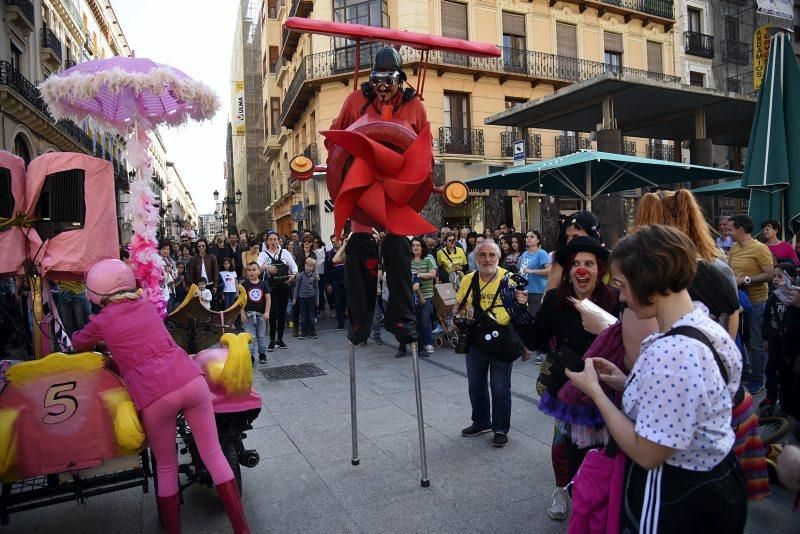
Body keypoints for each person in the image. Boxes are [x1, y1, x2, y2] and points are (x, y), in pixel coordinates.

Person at [565, 225, 747, 532]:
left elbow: (647, 453)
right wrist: (624, 382)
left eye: (622, 285)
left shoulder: (674, 353)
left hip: (678, 495)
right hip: (716, 481)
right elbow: (687, 404)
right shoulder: (703, 324)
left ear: (647, 280)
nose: (621, 297)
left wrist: (595, 392)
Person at [72, 259, 250, 533]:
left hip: (154, 393)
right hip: (190, 379)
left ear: (96, 292)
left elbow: (78, 342)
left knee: (166, 467)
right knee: (214, 454)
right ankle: (242, 529)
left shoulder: (101, 320)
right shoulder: (145, 305)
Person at [516, 235, 620, 521]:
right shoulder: (554, 300)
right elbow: (537, 339)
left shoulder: (615, 300)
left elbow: (626, 343)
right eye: (575, 264)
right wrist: (519, 313)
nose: (581, 270)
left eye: (589, 264)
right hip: (566, 386)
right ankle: (563, 489)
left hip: (606, 384)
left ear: (600, 269)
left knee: (604, 447)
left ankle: (600, 499)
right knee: (565, 446)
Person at [454, 240, 529, 449]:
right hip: (476, 341)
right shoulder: (468, 279)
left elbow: (521, 313)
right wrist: (457, 316)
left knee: (500, 388)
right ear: (475, 258)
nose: (487, 259)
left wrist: (525, 344)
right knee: (475, 386)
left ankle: (500, 429)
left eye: (491, 255)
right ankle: (480, 422)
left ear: (498, 257)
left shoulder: (509, 279)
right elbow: (460, 307)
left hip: (503, 341)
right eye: (482, 255)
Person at [729, 215, 774, 393]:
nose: (729, 232)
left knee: (755, 341)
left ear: (740, 229)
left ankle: (757, 379)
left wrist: (745, 280)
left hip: (756, 301)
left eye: (732, 229)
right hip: (738, 300)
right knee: (742, 338)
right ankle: (746, 373)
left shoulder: (760, 248)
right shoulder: (733, 248)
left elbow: (769, 274)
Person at [761, 262, 798, 413]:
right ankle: (771, 396)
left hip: (787, 343)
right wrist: (765, 338)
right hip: (773, 339)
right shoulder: (772, 298)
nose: (775, 279)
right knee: (771, 368)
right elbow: (766, 319)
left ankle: (785, 403)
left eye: (780, 276)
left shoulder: (794, 298)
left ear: (792, 279)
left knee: (786, 373)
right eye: (774, 276)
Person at [396, 237, 438, 356]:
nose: (415, 247)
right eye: (413, 245)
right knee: (410, 321)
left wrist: (417, 275)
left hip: (426, 294)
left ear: (422, 247)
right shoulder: (408, 259)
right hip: (409, 294)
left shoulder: (429, 258)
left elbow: (433, 274)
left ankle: (427, 343)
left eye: (418, 245)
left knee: (424, 320)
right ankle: (407, 346)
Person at [257, 231, 298, 351]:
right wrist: (266, 267)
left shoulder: (284, 252)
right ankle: (272, 340)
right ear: (267, 241)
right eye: (271, 239)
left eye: (275, 239)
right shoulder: (263, 254)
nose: (273, 241)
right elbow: (257, 267)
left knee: (282, 313)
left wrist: (293, 275)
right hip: (271, 288)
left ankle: (280, 340)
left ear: (279, 240)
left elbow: (294, 266)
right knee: (273, 313)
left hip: (284, 286)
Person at [544, 211, 601, 295]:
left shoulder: (606, 260)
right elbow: (547, 297)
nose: (569, 241)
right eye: (567, 237)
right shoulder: (560, 263)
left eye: (575, 236)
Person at [240, 262, 270, 364]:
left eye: (254, 269)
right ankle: (251, 356)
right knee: (250, 337)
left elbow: (268, 299)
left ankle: (262, 354)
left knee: (261, 335)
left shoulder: (263, 284)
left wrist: (267, 312)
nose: (251, 272)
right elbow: (241, 301)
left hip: (261, 315)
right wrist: (242, 313)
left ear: (259, 271)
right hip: (248, 315)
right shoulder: (244, 285)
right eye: (249, 270)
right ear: (246, 272)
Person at [519, 230, 550, 316]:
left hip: (537, 291)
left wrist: (532, 271)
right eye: (527, 237)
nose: (528, 239)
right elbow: (522, 270)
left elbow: (549, 271)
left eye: (532, 237)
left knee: (535, 317)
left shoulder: (541, 253)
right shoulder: (524, 254)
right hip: (524, 290)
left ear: (538, 240)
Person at [293, 257, 320, 339]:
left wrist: (317, 299)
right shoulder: (300, 276)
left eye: (311, 266)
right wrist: (295, 298)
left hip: (311, 298)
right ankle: (304, 332)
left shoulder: (314, 277)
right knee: (303, 316)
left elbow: (316, 289)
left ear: (313, 268)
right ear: (304, 265)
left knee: (311, 316)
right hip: (302, 299)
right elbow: (297, 288)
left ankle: (312, 331)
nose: (308, 267)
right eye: (307, 265)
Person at [326, 234, 348, 330]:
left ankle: (351, 322)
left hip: (347, 280)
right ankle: (341, 324)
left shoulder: (346, 251)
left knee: (348, 301)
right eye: (333, 241)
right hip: (335, 281)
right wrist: (328, 284)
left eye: (337, 240)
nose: (336, 243)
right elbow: (327, 269)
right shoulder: (329, 254)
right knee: (338, 303)